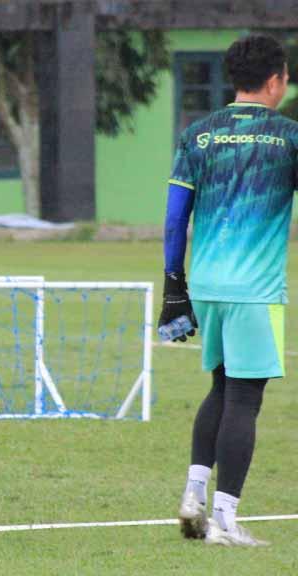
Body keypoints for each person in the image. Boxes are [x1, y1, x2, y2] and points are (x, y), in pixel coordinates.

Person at [164, 34, 298, 547]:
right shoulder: (287, 137)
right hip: (255, 291)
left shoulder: (198, 135)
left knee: (221, 388)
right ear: (274, 81)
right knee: (245, 397)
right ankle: (224, 520)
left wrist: (173, 285)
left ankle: (194, 495)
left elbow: (176, 218)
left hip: (207, 286)